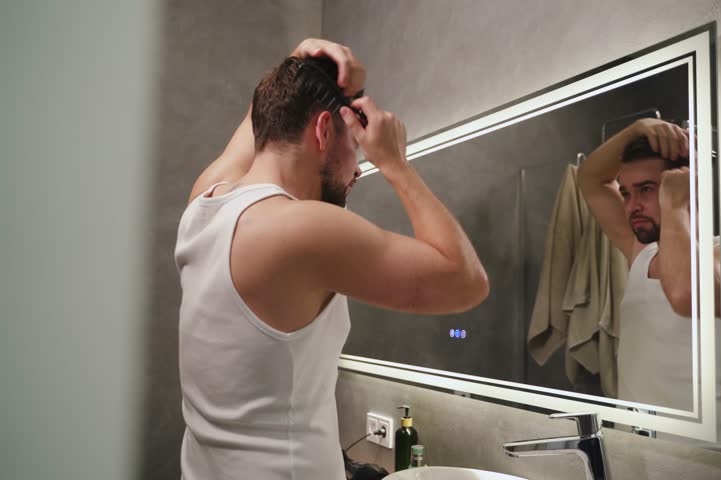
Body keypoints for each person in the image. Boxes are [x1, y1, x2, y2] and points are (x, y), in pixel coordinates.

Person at [175, 39, 489, 480]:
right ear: (324, 131)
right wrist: (395, 161)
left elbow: (264, 116)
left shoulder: (204, 204)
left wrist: (300, 58)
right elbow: (466, 281)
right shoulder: (299, 229)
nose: (358, 169)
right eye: (354, 151)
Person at [577, 118, 720, 410]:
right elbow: (590, 179)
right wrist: (639, 128)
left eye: (645, 189)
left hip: (703, 453)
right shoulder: (641, 253)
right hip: (635, 445)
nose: (631, 206)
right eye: (627, 193)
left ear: (685, 185)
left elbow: (684, 294)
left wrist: (676, 203)